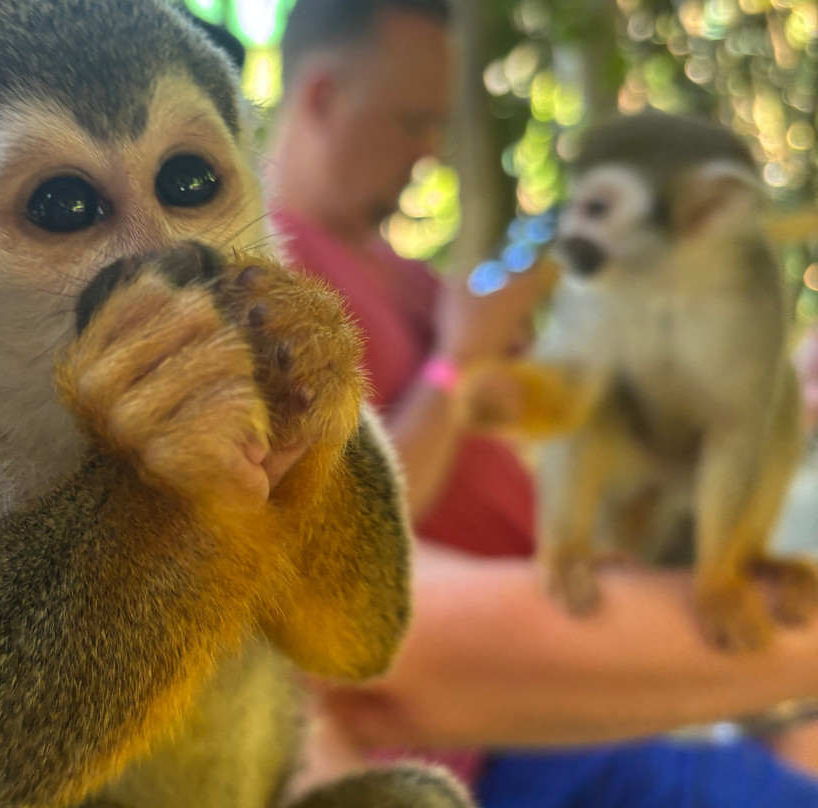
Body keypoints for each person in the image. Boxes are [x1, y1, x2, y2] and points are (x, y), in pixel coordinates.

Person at [267, 1, 818, 805]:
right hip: (468, 734)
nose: (428, 151)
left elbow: (560, 420)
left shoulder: (409, 273)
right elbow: (342, 558)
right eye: (412, 121)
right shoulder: (272, 279)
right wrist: (458, 362)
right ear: (322, 98)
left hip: (566, 673)